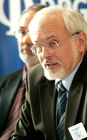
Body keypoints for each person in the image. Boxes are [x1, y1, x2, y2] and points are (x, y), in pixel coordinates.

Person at [11, 6, 87, 140]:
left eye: (53, 43)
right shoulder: (35, 77)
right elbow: (21, 136)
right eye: (38, 46)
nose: (44, 55)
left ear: (80, 42)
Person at [0, 4, 47, 140]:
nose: (25, 40)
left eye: (32, 32)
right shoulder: (3, 83)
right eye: (21, 32)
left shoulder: (61, 86)